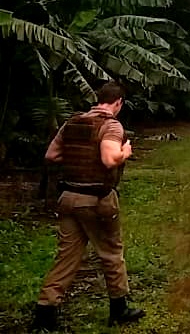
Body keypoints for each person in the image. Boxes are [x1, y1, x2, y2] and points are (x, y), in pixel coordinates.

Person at [31, 81, 145, 331]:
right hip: (97, 200)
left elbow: (51, 155)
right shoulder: (111, 125)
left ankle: (45, 312)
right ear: (118, 103)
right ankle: (119, 308)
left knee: (66, 256)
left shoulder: (72, 122)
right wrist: (125, 151)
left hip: (68, 198)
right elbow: (108, 159)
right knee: (111, 253)